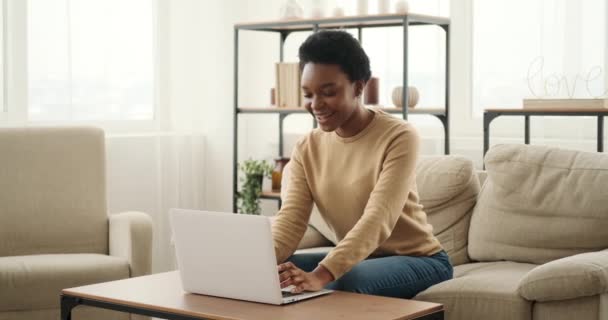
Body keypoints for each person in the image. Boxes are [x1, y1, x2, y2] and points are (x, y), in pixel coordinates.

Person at [271, 30, 453, 299]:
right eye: (308, 94)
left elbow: (378, 218)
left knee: (344, 280)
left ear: (358, 87)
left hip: (421, 261)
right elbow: (291, 220)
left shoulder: (399, 136)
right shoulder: (306, 147)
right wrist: (252, 264)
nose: (316, 104)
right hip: (360, 259)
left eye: (328, 92)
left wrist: (321, 276)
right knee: (275, 272)